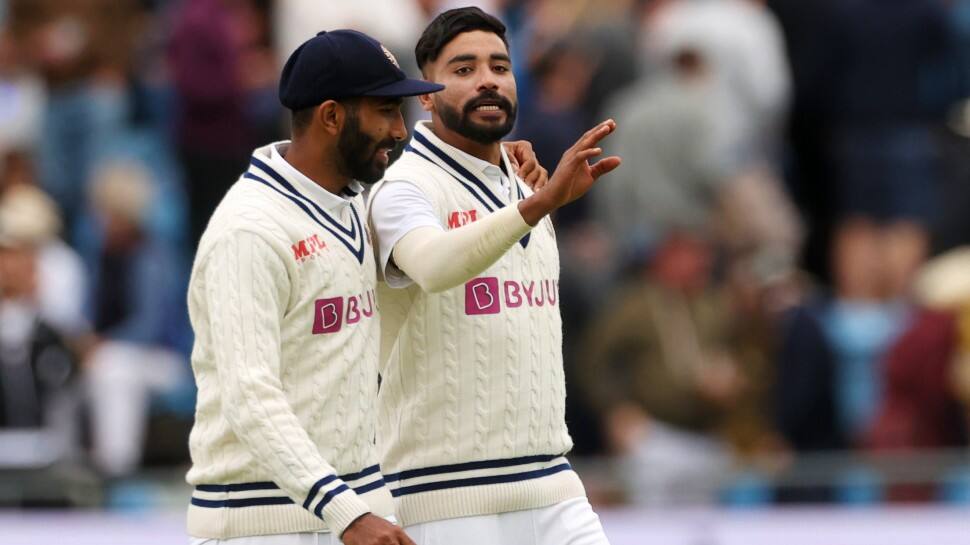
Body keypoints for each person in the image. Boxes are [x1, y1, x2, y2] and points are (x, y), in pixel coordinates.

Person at [367, 7, 620, 544]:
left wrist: (535, 199)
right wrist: (541, 205)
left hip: (552, 483)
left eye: (499, 67)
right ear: (426, 96)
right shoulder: (404, 188)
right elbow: (434, 267)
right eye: (463, 70)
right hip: (445, 496)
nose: (487, 80)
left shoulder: (526, 182)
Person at [184, 29, 442, 545]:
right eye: (385, 111)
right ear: (331, 116)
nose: (399, 130)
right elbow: (249, 395)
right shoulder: (250, 230)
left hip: (351, 508)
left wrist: (508, 180)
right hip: (261, 524)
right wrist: (347, 513)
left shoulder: (347, 204)